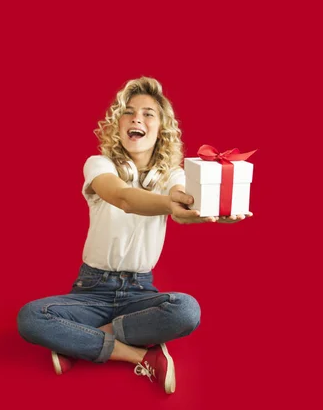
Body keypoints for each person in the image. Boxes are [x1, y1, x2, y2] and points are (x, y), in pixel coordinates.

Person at [17, 77, 251, 394]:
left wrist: (212, 213)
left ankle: (82, 341)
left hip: (140, 292)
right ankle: (140, 354)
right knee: (31, 318)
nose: (137, 117)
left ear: (160, 130)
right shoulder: (98, 165)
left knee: (186, 310)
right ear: (119, 124)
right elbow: (123, 197)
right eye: (128, 112)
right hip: (91, 290)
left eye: (148, 113)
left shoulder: (172, 176)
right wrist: (170, 203)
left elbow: (183, 205)